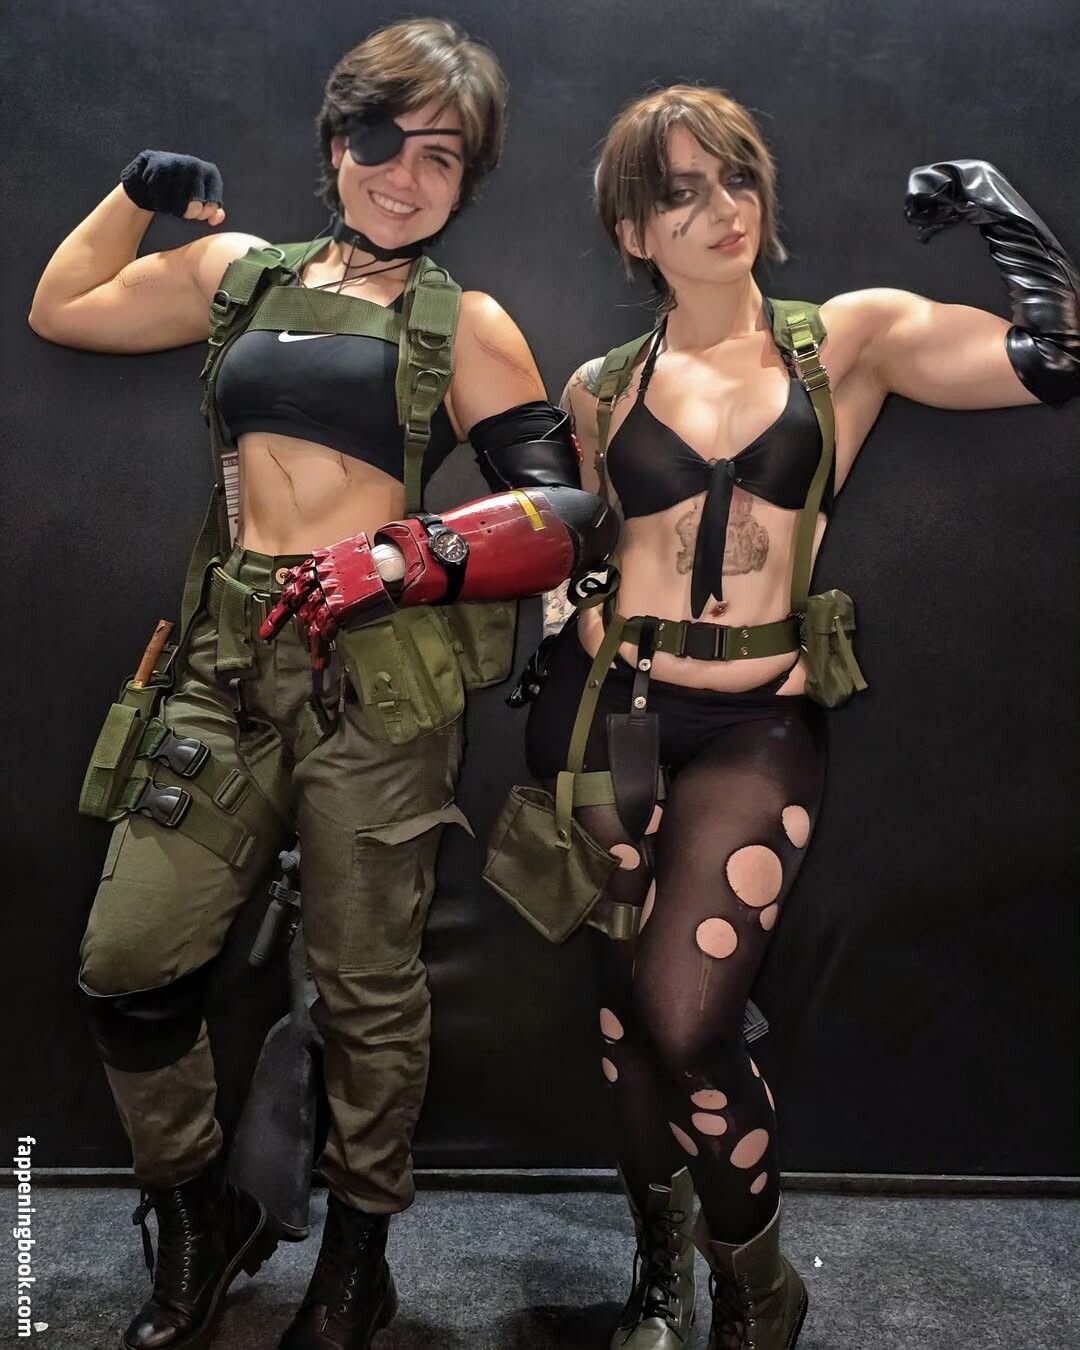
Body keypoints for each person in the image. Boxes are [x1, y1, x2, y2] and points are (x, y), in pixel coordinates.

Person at [29, 18, 614, 1350]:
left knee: (367, 990)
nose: (403, 176)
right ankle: (197, 1218)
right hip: (226, 663)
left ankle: (359, 1257)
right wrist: (134, 195)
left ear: (468, 181)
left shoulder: (465, 322)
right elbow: (62, 306)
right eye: (381, 141)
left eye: (441, 157)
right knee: (128, 961)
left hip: (380, 683)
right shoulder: (235, 275)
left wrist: (414, 554)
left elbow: (567, 513)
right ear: (336, 141)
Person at [513, 85, 1079, 1350]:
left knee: (686, 1019)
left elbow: (1057, 356)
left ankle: (759, 1290)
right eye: (680, 194)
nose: (722, 209)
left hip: (754, 730)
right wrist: (565, 612)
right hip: (603, 714)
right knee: (622, 1020)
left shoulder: (847, 341)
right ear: (633, 233)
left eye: (736, 178)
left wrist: (996, 207)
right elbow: (575, 546)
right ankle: (660, 1281)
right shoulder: (600, 388)